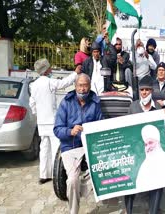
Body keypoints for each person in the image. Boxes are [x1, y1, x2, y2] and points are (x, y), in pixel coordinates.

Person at [54, 73, 103, 214]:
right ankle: (73, 211)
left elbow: (100, 124)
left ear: (89, 85)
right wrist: (70, 131)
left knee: (101, 172)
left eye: (85, 85)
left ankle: (76, 191)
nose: (82, 89)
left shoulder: (95, 102)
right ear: (75, 86)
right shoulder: (66, 102)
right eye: (80, 85)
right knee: (72, 180)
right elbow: (57, 130)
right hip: (70, 146)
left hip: (89, 146)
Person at [29, 58, 79, 184]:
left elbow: (32, 103)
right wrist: (75, 73)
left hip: (41, 122)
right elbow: (64, 83)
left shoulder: (33, 85)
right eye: (49, 67)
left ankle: (44, 175)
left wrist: (38, 115)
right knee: (56, 148)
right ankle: (57, 175)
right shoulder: (49, 82)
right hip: (52, 121)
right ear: (46, 70)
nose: (51, 69)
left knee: (44, 148)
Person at [125, 75, 163, 214]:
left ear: (152, 91)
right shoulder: (133, 106)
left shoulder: (158, 108)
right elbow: (126, 129)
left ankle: (154, 210)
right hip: (136, 152)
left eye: (147, 89)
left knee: (159, 181)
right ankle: (128, 210)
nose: (145, 92)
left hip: (152, 153)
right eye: (142, 90)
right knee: (129, 179)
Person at [136, 124, 165, 190]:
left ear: (158, 143)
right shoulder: (144, 166)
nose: (148, 147)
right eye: (146, 145)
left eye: (150, 143)